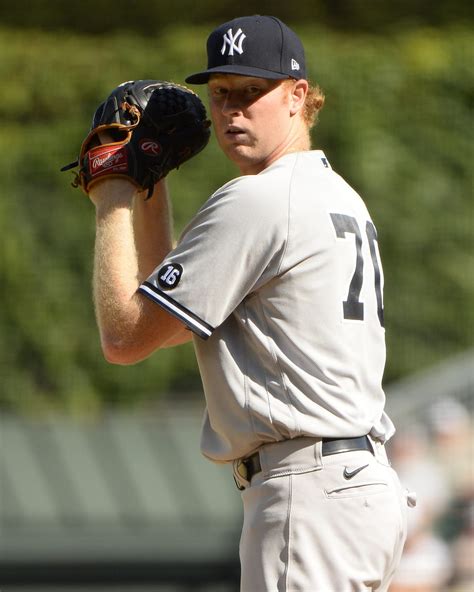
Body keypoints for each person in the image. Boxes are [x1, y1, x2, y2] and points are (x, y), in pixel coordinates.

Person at [89, 15, 411, 591]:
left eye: (252, 90)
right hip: (354, 490)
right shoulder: (337, 194)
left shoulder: (257, 200)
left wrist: (112, 194)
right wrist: (152, 188)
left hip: (309, 493)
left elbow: (124, 337)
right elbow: (169, 321)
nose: (232, 109)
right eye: (221, 92)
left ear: (298, 96)